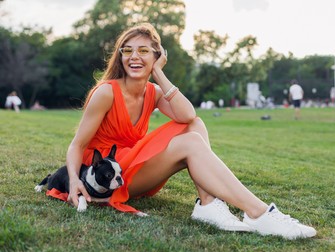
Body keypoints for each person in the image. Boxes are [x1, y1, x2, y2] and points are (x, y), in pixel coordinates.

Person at [63, 23, 316, 239]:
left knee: (195, 126)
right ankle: (259, 213)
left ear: (157, 56)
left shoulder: (153, 92)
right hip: (106, 175)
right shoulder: (107, 92)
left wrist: (159, 74)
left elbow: (188, 115)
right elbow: (77, 145)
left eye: (143, 51)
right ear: (120, 57)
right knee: (192, 142)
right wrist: (74, 181)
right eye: (127, 51)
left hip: (133, 166)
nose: (134, 57)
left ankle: (207, 204)